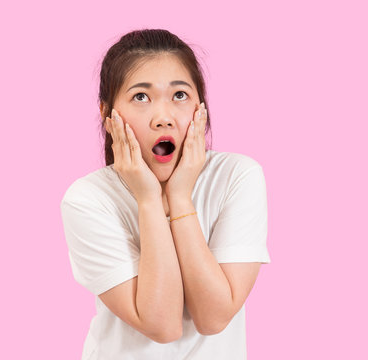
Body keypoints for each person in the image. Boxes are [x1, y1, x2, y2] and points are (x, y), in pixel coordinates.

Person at [60, 29, 271, 359]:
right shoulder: (88, 199)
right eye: (141, 97)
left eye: (180, 95)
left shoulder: (237, 177)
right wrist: (148, 200)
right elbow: (163, 325)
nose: (163, 118)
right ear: (107, 113)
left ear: (200, 108)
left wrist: (180, 197)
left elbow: (214, 317)